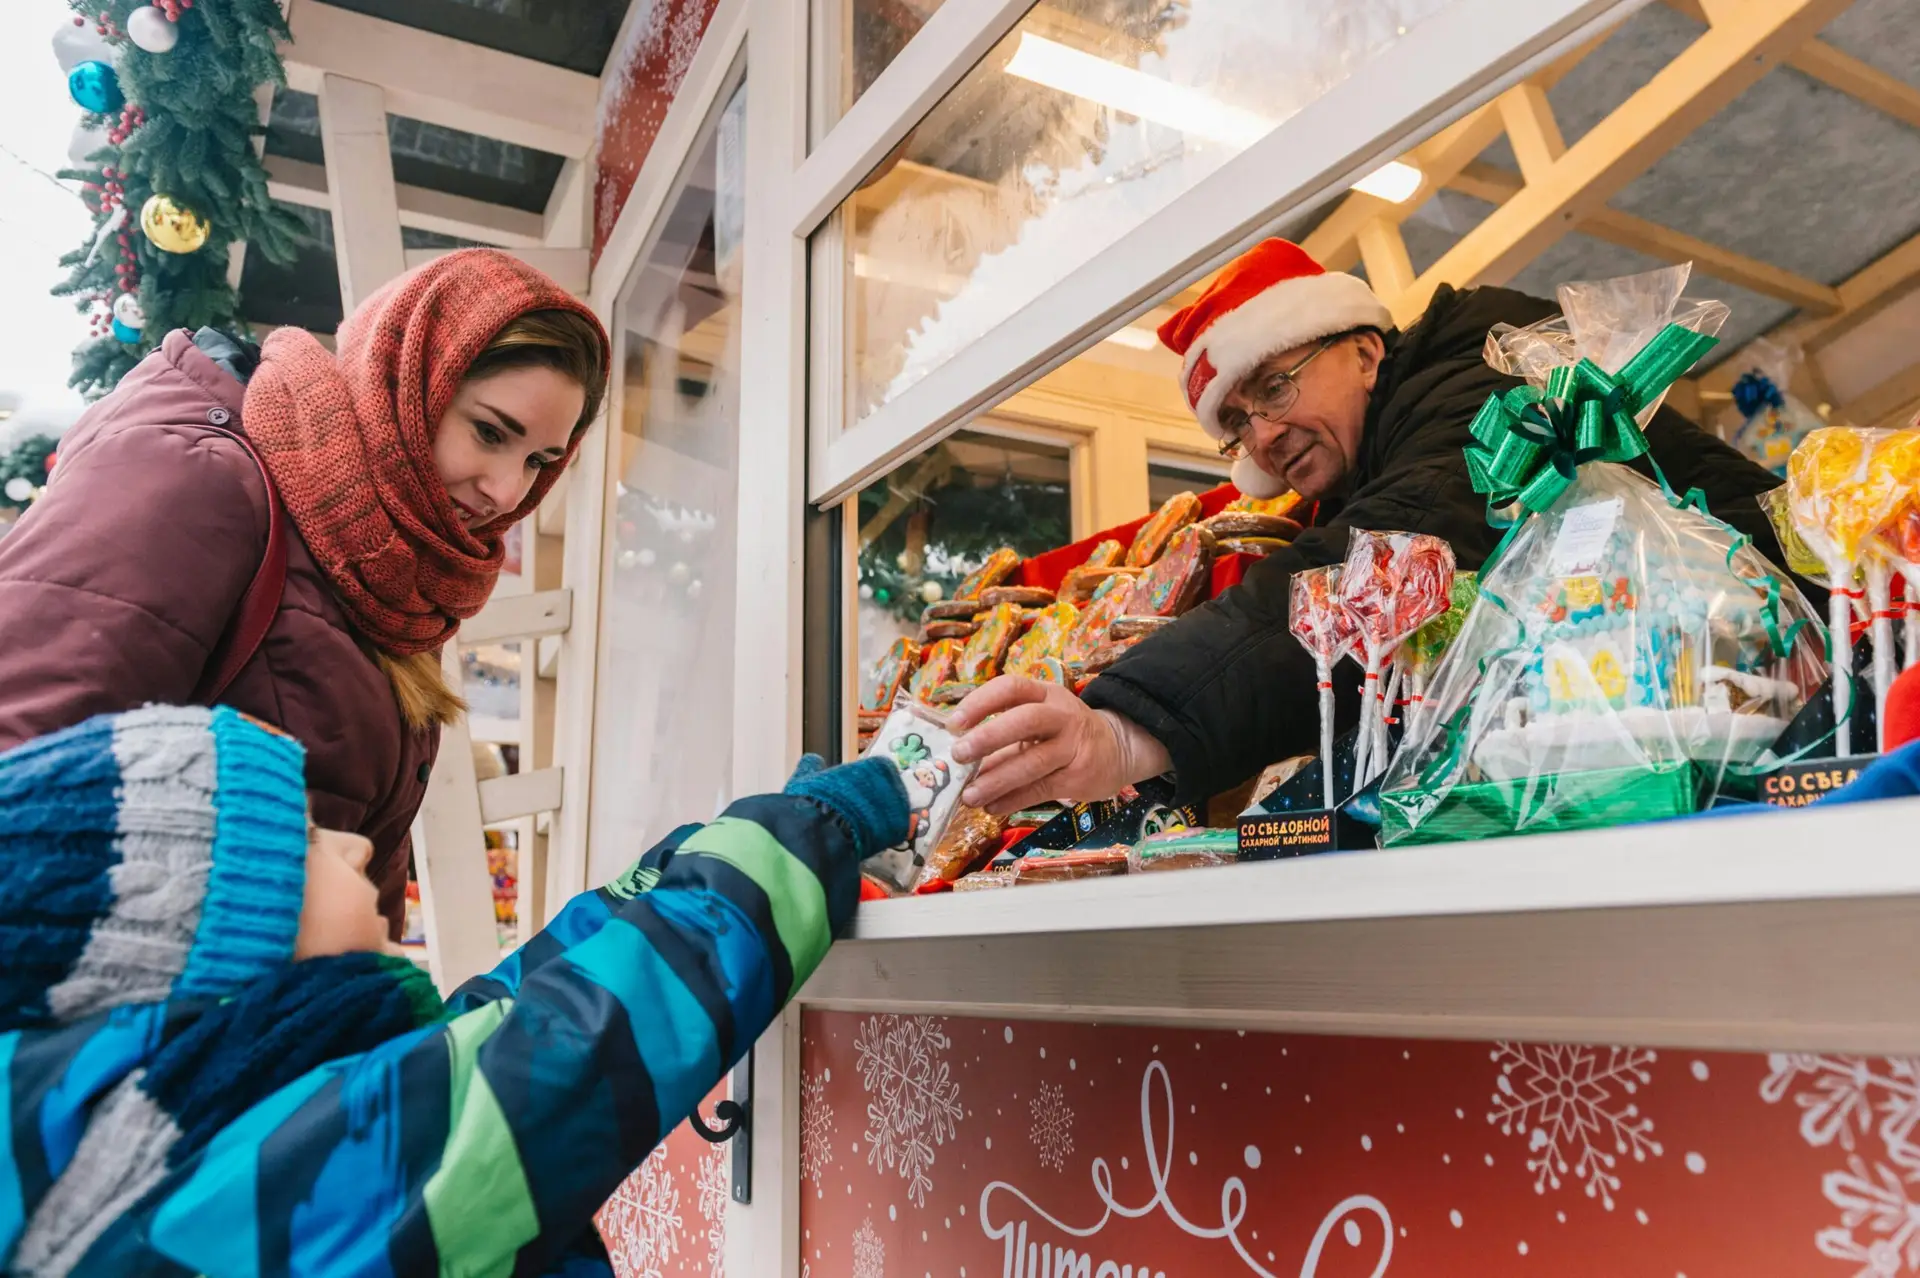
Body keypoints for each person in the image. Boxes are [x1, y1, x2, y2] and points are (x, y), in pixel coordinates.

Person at [0, 704, 906, 1275]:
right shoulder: (234, 1193)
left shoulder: (175, 1132)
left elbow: (500, 1017)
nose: (354, 846)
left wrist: (701, 861)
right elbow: (562, 1052)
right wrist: (807, 830)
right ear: (233, 946)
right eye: (309, 842)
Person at [952, 238, 1793, 814]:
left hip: (1792, 690)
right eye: (1238, 422)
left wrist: (1128, 726)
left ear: (1364, 351)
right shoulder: (1365, 456)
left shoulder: (1480, 382)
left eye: (1275, 388)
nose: (1264, 436)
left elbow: (1383, 556)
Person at [0, 249, 608, 936]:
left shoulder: (394, 578)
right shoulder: (199, 481)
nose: (506, 491)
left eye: (538, 462)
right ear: (403, 380)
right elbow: (21, 765)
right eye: (490, 432)